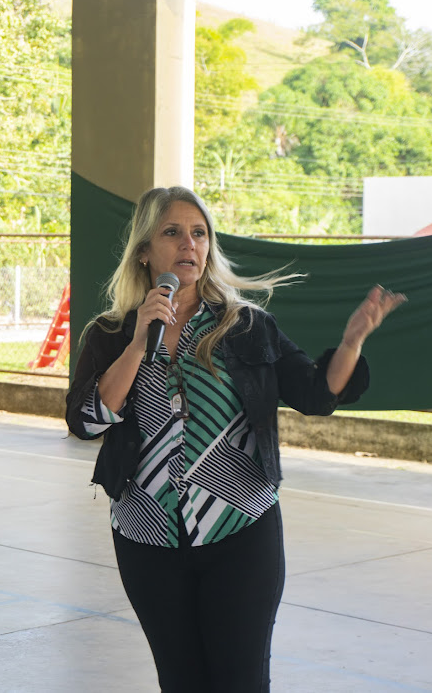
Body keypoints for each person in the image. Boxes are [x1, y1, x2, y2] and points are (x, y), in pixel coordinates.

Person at [66, 186, 406, 693]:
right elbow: (86, 422)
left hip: (241, 532)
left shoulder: (246, 325)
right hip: (146, 537)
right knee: (181, 681)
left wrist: (352, 341)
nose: (189, 244)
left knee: (241, 681)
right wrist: (139, 343)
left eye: (199, 233)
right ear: (144, 251)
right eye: (173, 232)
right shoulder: (111, 333)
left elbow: (315, 393)